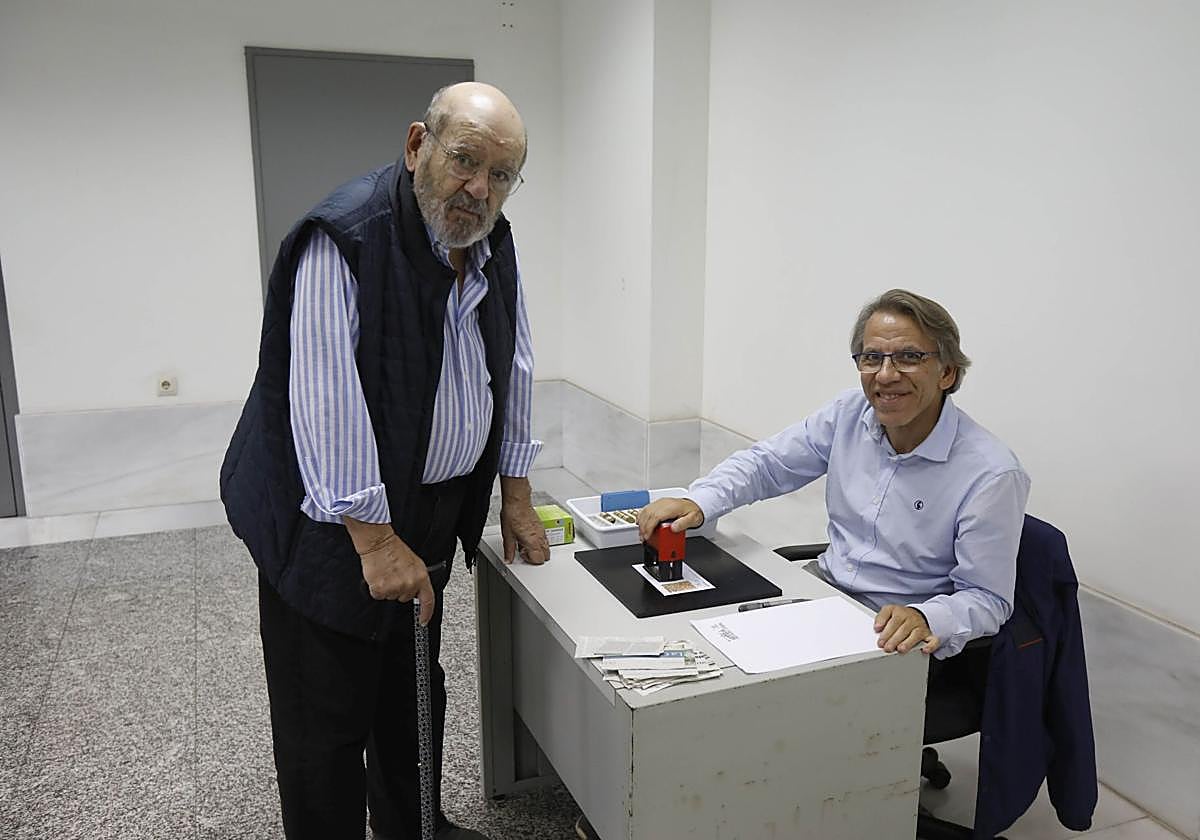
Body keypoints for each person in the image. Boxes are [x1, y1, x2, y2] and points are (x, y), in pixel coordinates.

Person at [220, 82, 549, 840]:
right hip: (327, 521)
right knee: (325, 717)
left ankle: (415, 827)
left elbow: (516, 361)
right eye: (465, 161)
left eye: (501, 175)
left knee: (408, 693)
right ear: (417, 146)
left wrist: (518, 494)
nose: (478, 188)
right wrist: (373, 538)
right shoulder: (344, 237)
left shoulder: (492, 241)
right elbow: (324, 398)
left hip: (425, 515)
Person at [637, 289, 1030, 661]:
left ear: (947, 373)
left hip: (891, 638)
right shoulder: (850, 412)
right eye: (872, 358)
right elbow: (769, 463)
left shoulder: (991, 473)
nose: (886, 375)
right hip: (821, 596)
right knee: (697, 646)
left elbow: (987, 598)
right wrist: (700, 500)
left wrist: (927, 618)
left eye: (909, 357)